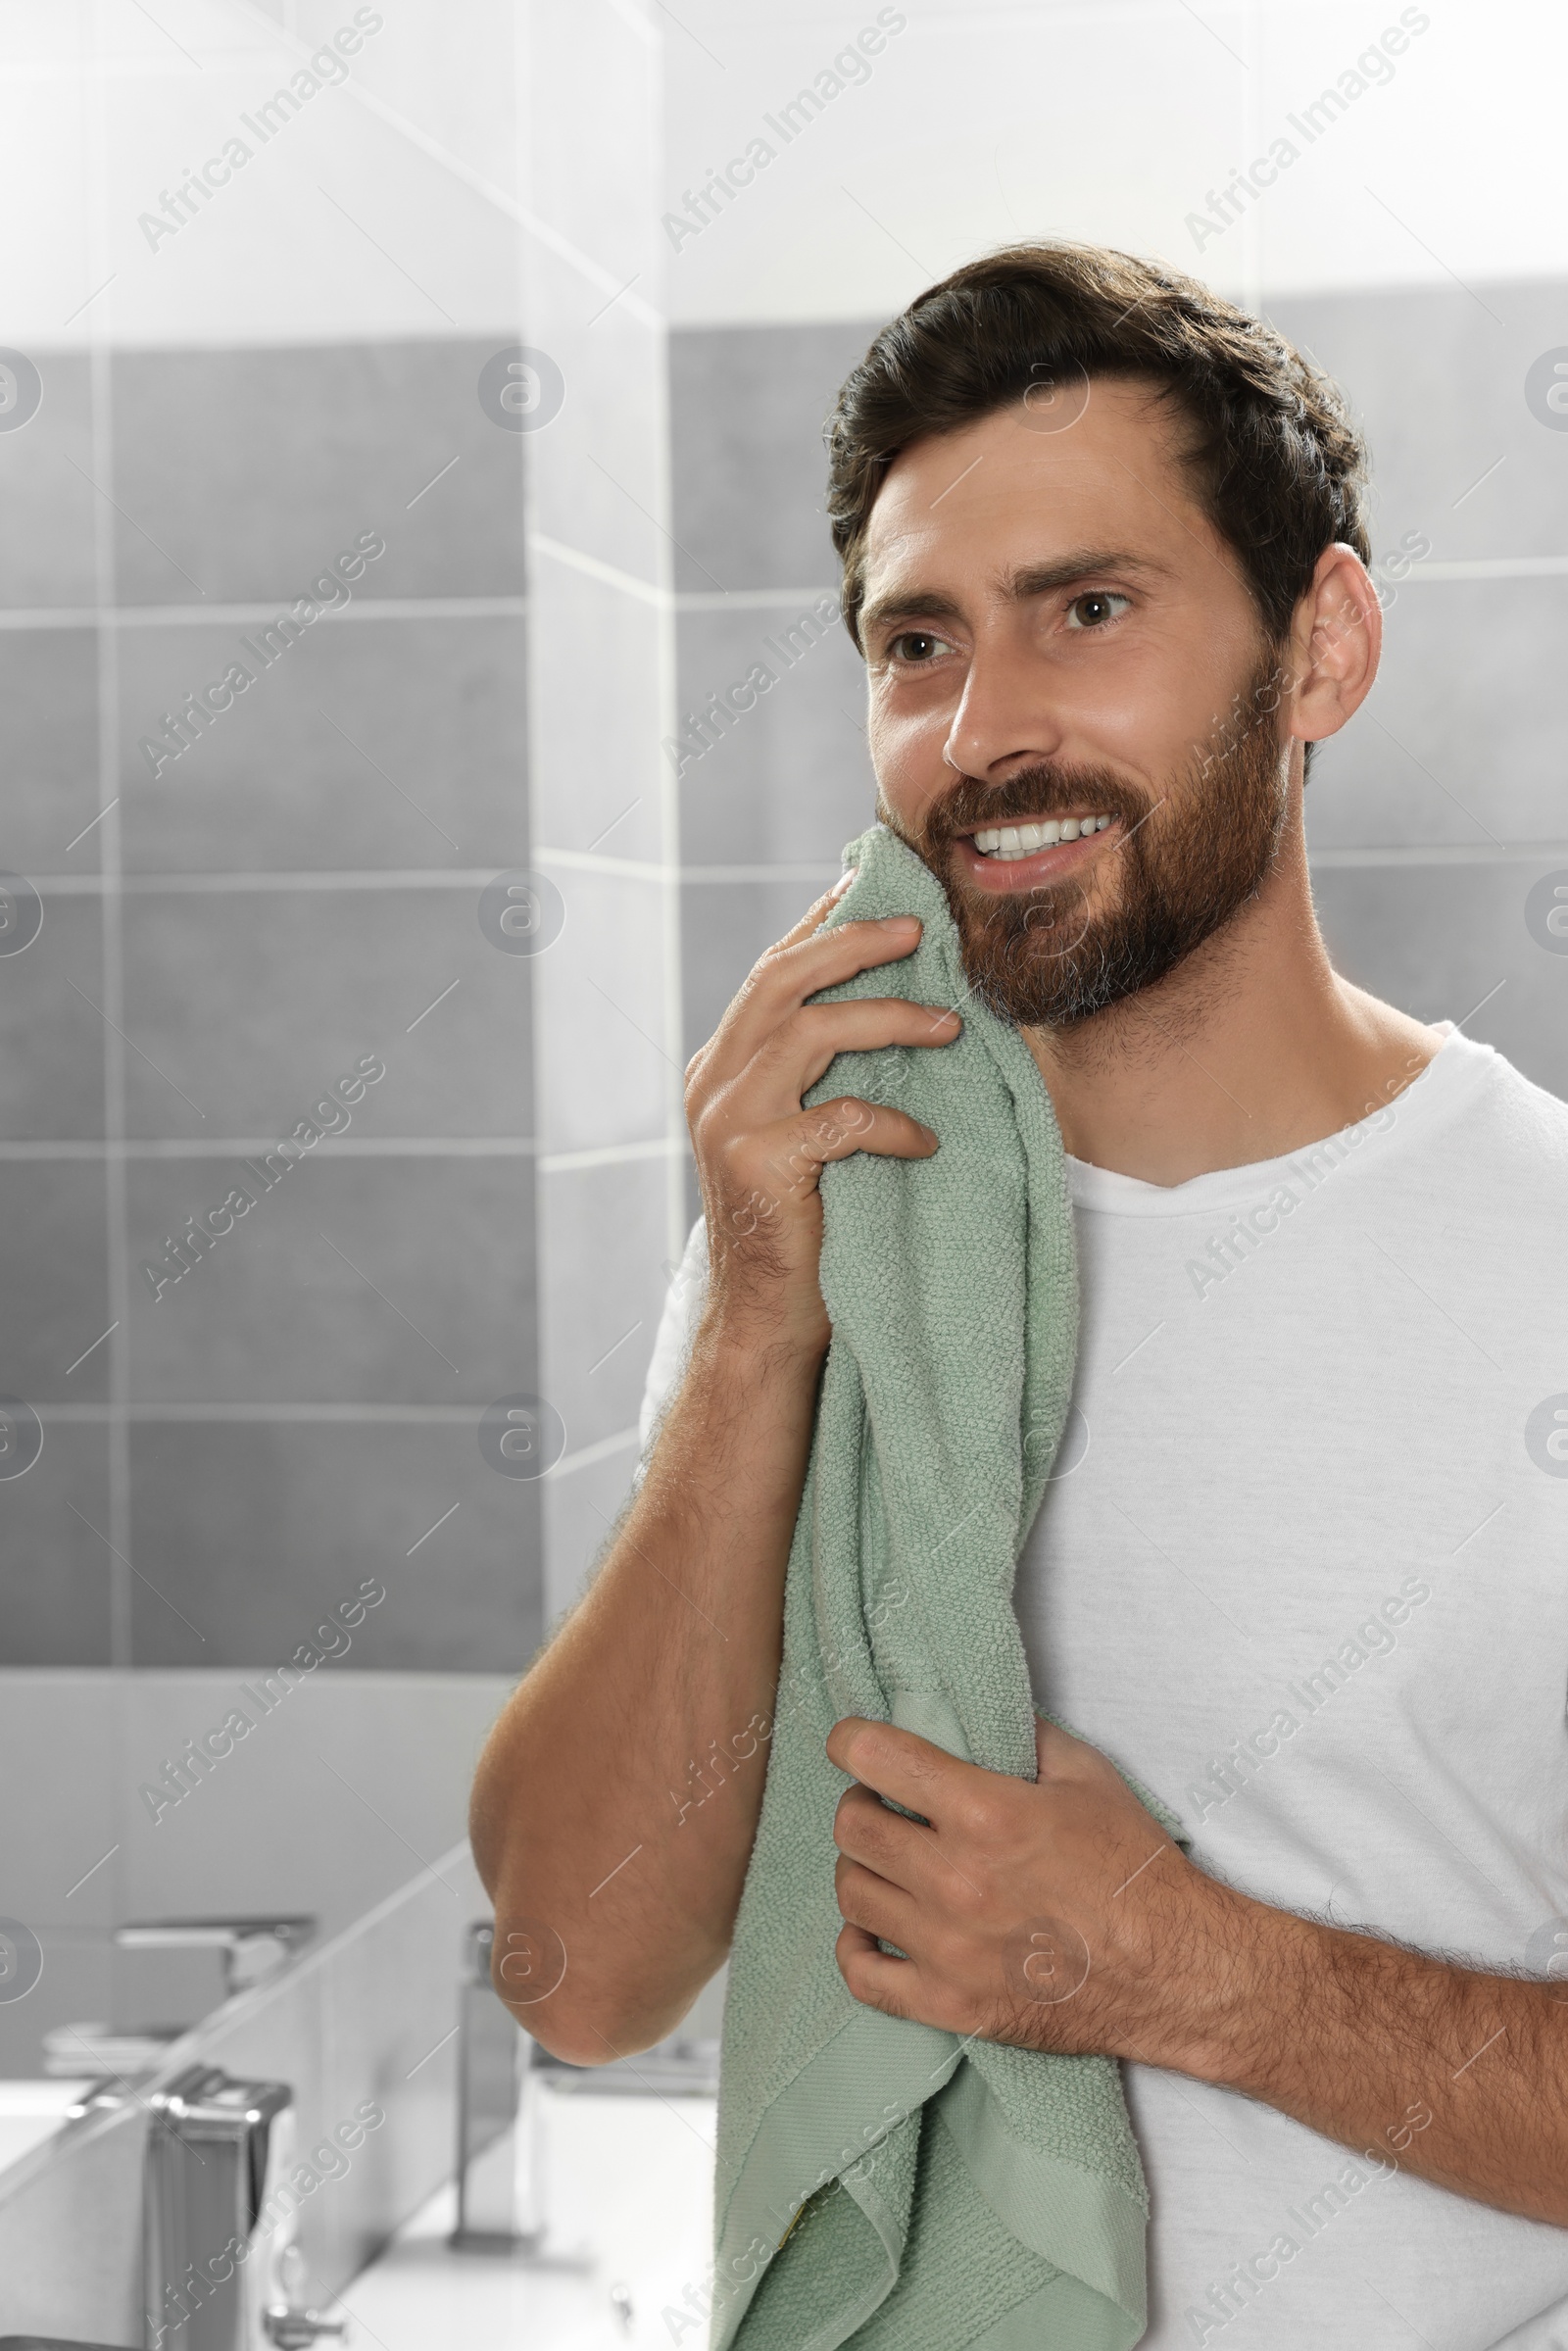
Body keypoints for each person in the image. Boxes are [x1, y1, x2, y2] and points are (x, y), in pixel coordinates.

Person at [470, 243, 1568, 2347]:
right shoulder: (850, 1231)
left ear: (1317, 645)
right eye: (913, 643)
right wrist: (754, 1332)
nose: (983, 731)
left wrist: (1184, 1972)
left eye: (1087, 608)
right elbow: (577, 1975)